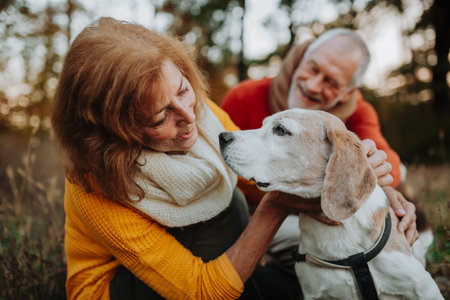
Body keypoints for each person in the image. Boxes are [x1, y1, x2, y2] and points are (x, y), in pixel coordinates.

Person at [52, 19, 414, 299]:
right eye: (160, 117)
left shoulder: (202, 114)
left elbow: (246, 169)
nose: (190, 118)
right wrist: (276, 206)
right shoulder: (93, 187)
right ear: (114, 132)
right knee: (234, 211)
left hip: (212, 242)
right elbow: (198, 290)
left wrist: (376, 190)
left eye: (183, 89)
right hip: (119, 286)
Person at [221, 28, 418, 276]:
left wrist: (380, 182)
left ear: (347, 93)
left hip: (321, 212)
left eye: (331, 82)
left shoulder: (358, 113)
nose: (313, 86)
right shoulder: (245, 96)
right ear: (301, 57)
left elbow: (388, 161)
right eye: (313, 69)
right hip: (250, 213)